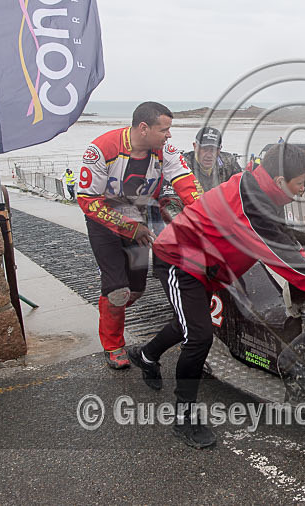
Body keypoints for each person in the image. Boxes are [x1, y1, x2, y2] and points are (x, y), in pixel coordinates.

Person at [128, 143, 305, 448]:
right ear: (281, 181)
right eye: (300, 184)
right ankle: (183, 417)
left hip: (207, 266)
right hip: (180, 260)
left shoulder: (258, 185)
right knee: (199, 336)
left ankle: (145, 355)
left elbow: (280, 236)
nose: (303, 190)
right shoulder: (253, 205)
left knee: (188, 323)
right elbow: (281, 256)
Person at [77, 101, 200, 369]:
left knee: (136, 288)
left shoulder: (165, 149)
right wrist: (131, 228)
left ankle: (111, 306)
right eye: (164, 129)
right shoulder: (100, 149)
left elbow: (186, 183)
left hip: (140, 217)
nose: (169, 135)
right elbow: (87, 200)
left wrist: (207, 217)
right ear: (143, 128)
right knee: (117, 289)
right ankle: (113, 346)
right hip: (104, 221)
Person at [182, 127, 242, 192]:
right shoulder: (182, 164)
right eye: (204, 149)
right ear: (195, 146)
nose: (209, 155)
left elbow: (241, 189)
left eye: (213, 150)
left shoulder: (229, 162)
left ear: (220, 149)